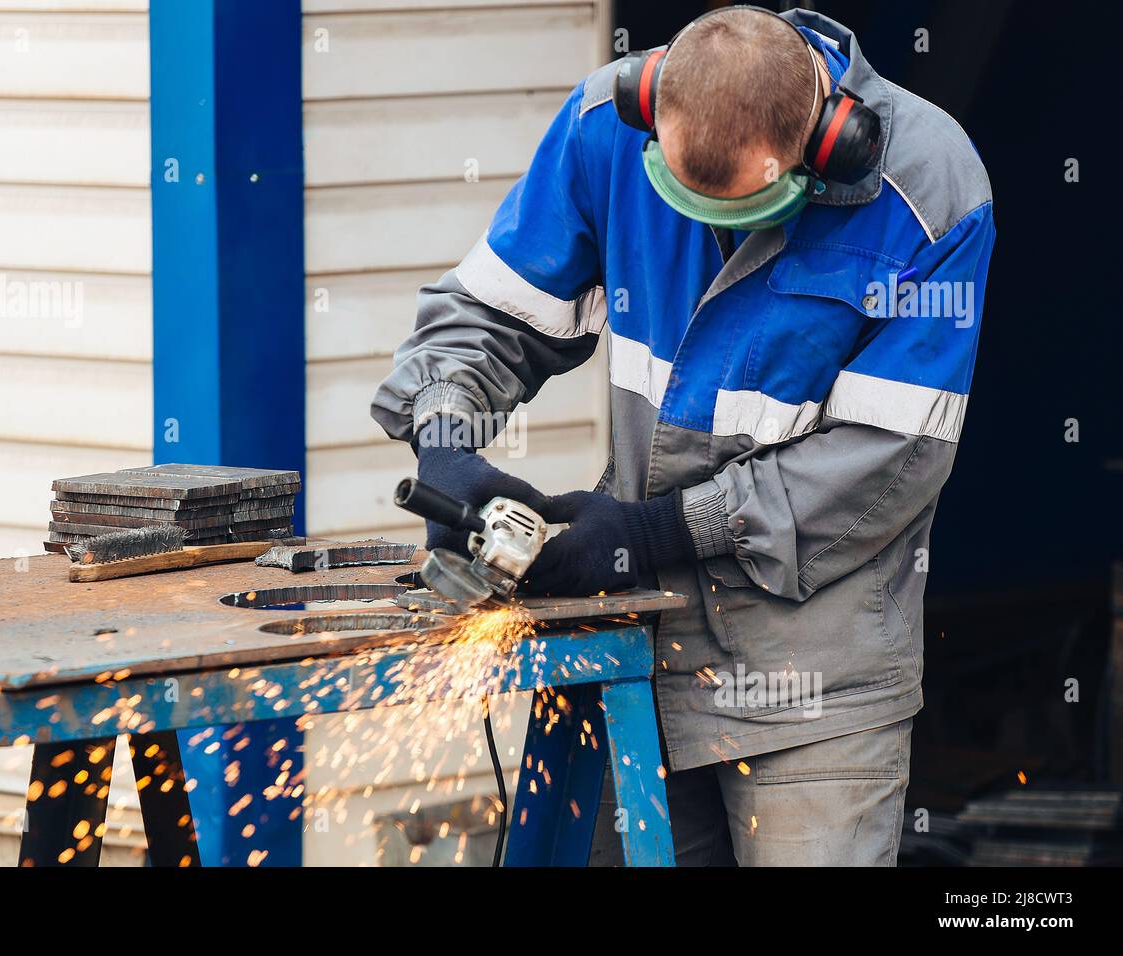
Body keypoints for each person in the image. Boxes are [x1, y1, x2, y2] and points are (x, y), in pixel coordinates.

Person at [371, 6, 994, 865]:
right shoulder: (604, 130)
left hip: (812, 688)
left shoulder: (930, 192)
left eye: (745, 209)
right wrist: (446, 433)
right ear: (648, 111)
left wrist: (656, 530)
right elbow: (492, 313)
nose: (717, 236)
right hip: (629, 646)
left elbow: (890, 460)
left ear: (826, 145)